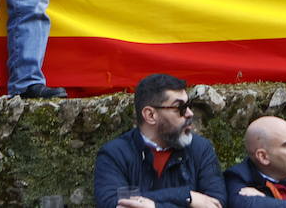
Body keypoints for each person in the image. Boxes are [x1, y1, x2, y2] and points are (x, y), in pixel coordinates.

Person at [93, 73, 226, 208]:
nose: (189, 113)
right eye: (180, 108)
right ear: (150, 115)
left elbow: (216, 204)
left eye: (188, 105)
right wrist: (187, 196)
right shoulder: (114, 154)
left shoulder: (201, 148)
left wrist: (153, 205)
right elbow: (114, 204)